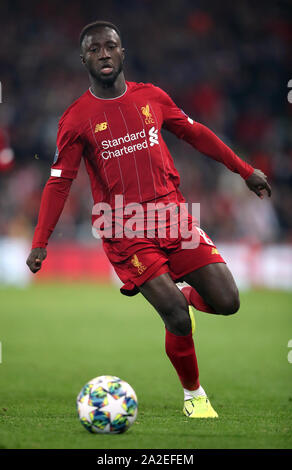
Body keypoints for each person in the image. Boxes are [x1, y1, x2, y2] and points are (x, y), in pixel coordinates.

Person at [26, 21, 271, 419]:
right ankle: (194, 396)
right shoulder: (76, 119)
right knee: (173, 314)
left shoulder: (152, 97)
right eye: (94, 49)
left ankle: (189, 299)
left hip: (173, 218)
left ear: (123, 52)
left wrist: (244, 170)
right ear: (83, 58)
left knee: (228, 302)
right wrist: (40, 241)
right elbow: (59, 183)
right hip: (123, 230)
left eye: (111, 46)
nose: (104, 53)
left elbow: (196, 134)